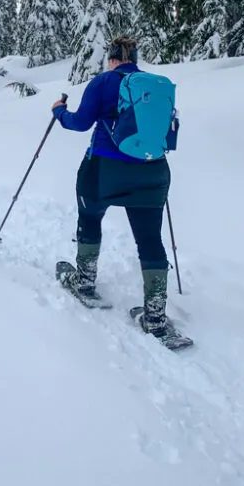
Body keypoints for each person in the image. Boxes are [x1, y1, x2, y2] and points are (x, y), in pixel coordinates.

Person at [51, 36, 171, 336]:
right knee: (150, 239)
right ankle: (155, 316)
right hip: (153, 170)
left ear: (113, 58)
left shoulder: (103, 82)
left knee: (90, 216)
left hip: (105, 168)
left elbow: (79, 123)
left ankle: (85, 280)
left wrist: (58, 112)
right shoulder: (156, 86)